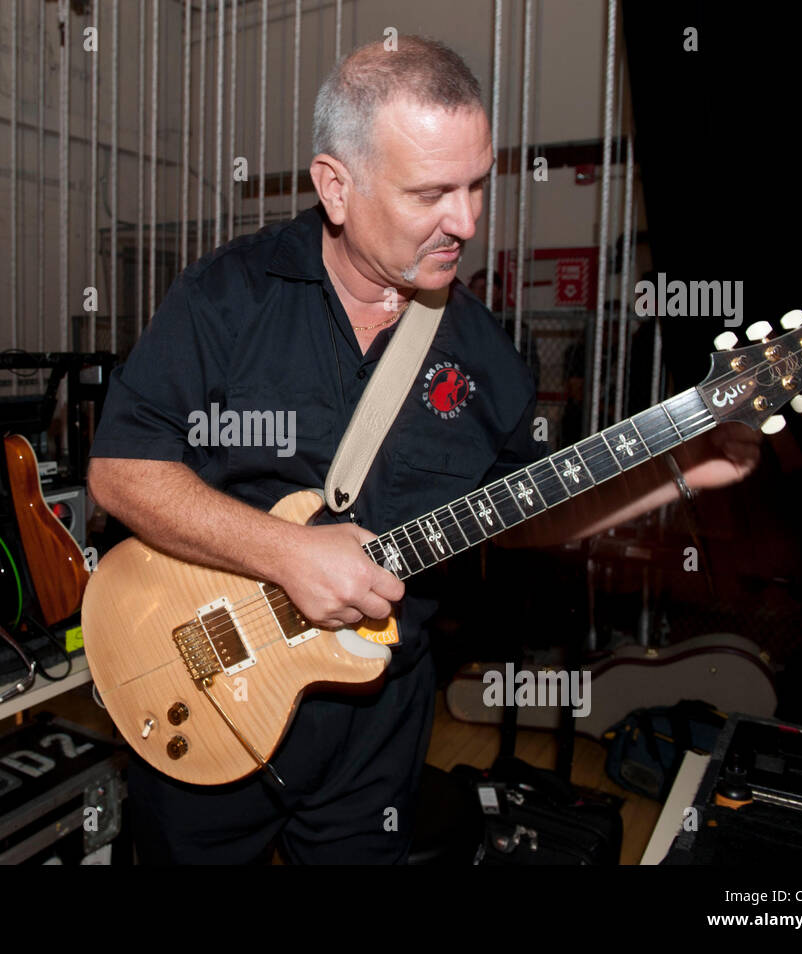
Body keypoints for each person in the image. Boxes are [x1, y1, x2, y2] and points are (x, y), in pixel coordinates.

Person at [86, 35, 760, 864]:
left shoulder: (486, 358)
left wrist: (681, 471)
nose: (467, 222)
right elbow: (120, 472)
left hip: (378, 728)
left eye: (478, 185)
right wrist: (287, 552)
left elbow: (516, 516)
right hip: (206, 687)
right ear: (337, 186)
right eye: (431, 193)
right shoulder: (229, 295)